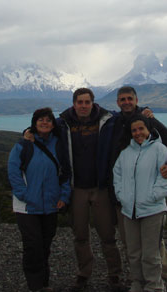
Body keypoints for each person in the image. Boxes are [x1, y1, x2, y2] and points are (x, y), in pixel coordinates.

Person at [109, 86, 167, 279]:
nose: (126, 102)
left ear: (136, 100)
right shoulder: (113, 122)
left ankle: (160, 276)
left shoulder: (149, 120)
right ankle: (142, 279)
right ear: (117, 102)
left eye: (129, 99)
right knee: (131, 242)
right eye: (122, 99)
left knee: (152, 241)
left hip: (146, 195)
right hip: (125, 193)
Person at [57, 88, 124, 291]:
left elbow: (130, 115)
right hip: (77, 188)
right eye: (80, 102)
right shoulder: (63, 123)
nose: (83, 106)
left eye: (87, 102)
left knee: (107, 235)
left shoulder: (107, 120)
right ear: (74, 104)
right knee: (80, 235)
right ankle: (84, 274)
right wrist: (29, 132)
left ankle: (115, 276)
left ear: (93, 103)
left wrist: (145, 110)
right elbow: (40, 125)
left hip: (100, 187)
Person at [7, 107, 71, 292]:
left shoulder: (58, 144)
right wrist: (24, 195)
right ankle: (34, 285)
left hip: (50, 205)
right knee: (33, 245)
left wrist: (64, 196)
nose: (45, 123)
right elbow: (13, 171)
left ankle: (43, 283)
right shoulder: (23, 145)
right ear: (34, 123)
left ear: (53, 124)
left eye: (48, 120)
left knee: (45, 245)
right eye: (41, 120)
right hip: (27, 207)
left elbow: (65, 173)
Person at [113, 114, 167, 292]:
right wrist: (121, 195)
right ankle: (137, 284)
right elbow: (117, 175)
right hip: (129, 210)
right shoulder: (125, 153)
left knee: (151, 254)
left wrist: (152, 196)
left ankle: (154, 286)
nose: (138, 133)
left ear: (149, 130)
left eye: (141, 129)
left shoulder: (160, 150)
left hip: (152, 210)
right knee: (133, 253)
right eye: (134, 130)